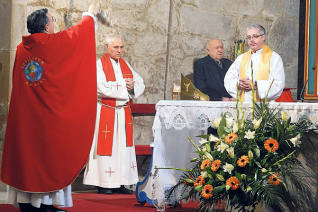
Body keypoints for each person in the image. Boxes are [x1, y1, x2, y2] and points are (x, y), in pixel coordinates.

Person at [1, 5, 98, 212]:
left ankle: (33, 203)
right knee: (47, 161)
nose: (54, 23)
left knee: (29, 160)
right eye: (52, 20)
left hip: (27, 118)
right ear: (46, 26)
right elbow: (78, 36)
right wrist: (89, 15)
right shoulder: (52, 44)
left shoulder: (21, 48)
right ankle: (41, 205)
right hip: (46, 120)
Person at [83, 36, 145, 195]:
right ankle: (104, 184)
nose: (119, 50)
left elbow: (140, 82)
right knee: (107, 150)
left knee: (123, 149)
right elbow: (101, 87)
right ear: (107, 47)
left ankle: (122, 182)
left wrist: (133, 86)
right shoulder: (99, 65)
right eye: (116, 47)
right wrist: (126, 85)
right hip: (107, 111)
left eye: (121, 47)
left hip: (123, 113)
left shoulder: (125, 65)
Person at [224, 24, 285, 102]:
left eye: (255, 36)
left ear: (263, 37)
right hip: (243, 105)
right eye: (249, 37)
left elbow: (278, 84)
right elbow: (228, 79)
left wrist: (256, 85)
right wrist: (239, 84)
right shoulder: (241, 58)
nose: (251, 40)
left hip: (264, 107)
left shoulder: (274, 58)